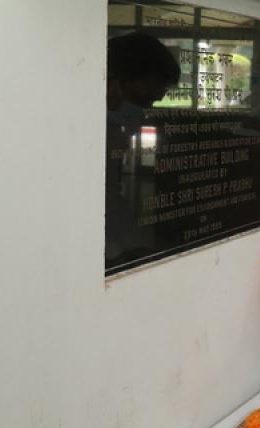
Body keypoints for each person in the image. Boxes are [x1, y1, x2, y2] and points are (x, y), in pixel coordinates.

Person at [106, 32, 180, 267]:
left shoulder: (113, 128)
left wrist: (137, 246)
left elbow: (111, 198)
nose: (143, 112)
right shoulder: (84, 134)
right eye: (142, 100)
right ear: (116, 80)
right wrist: (117, 253)